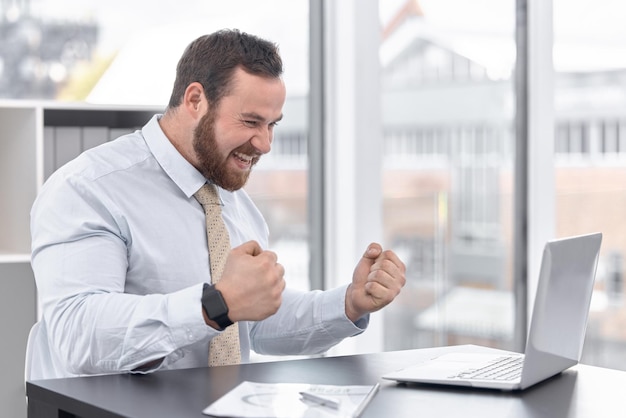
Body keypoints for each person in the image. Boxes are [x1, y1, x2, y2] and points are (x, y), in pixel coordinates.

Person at [26, 28, 406, 380]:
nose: (265, 144)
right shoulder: (90, 188)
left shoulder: (232, 200)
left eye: (272, 125)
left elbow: (254, 325)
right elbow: (77, 335)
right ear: (195, 100)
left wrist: (350, 304)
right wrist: (214, 306)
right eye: (251, 121)